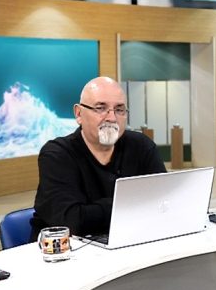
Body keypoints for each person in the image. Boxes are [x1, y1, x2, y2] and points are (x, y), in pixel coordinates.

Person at [31, 76, 166, 239]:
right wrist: (133, 203)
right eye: (101, 108)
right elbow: (72, 221)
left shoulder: (142, 146)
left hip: (128, 242)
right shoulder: (57, 154)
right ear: (79, 114)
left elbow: (164, 203)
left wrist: (96, 211)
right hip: (63, 249)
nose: (112, 118)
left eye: (119, 110)